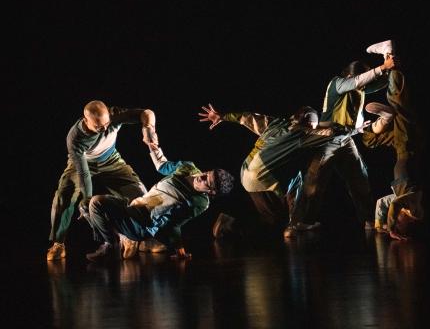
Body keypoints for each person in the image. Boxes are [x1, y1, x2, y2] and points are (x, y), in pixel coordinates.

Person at [287, 44, 396, 236]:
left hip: (346, 140)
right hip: (328, 139)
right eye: (360, 79)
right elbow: (358, 81)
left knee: (360, 178)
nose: (363, 86)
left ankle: (369, 219)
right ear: (350, 75)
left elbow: (379, 82)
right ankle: (298, 223)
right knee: (314, 183)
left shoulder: (359, 89)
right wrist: (382, 68)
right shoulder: (337, 83)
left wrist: (391, 64)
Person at [198, 104, 354, 235]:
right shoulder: (301, 134)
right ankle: (229, 224)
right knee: (273, 223)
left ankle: (294, 222)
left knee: (294, 180)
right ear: (306, 125)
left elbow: (248, 117)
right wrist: (355, 129)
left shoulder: (275, 123)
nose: (312, 130)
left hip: (246, 171)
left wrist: (223, 116)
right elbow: (331, 133)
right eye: (311, 127)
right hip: (262, 175)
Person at [47, 100, 158, 261]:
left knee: (141, 194)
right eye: (98, 127)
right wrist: (87, 200)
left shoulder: (115, 115)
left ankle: (143, 238)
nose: (105, 129)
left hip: (111, 160)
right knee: (65, 194)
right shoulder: (75, 137)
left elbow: (147, 113)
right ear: (86, 121)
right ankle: (58, 244)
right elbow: (84, 174)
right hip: (83, 164)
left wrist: (148, 129)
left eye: (106, 124)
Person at [85, 142, 235, 262]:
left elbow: (173, 223)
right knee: (84, 205)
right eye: (206, 173)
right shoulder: (189, 168)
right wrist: (153, 146)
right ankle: (118, 238)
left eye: (206, 182)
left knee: (96, 203)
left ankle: (111, 245)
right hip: (134, 205)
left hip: (141, 223)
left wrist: (179, 248)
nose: (200, 177)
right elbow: (163, 166)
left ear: (211, 192)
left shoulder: (199, 202)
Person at [361, 40, 424, 241]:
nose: (395, 218)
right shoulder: (414, 209)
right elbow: (393, 206)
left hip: (402, 150)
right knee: (400, 105)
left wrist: (382, 227)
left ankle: (385, 119)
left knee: (369, 141)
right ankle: (390, 54)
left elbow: (383, 203)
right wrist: (389, 228)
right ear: (404, 222)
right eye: (397, 221)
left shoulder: (402, 204)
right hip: (408, 148)